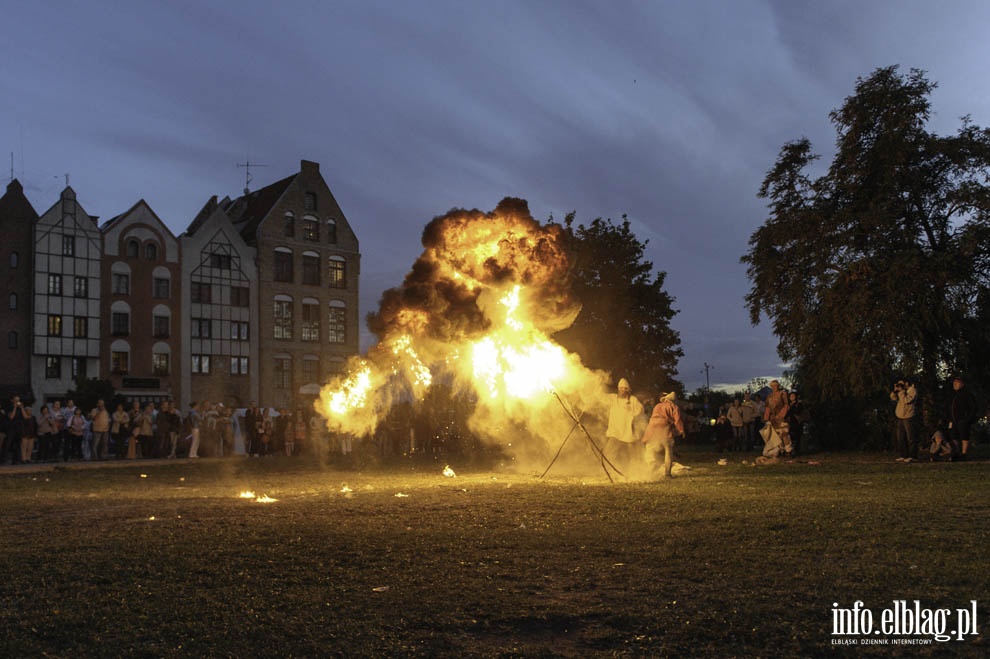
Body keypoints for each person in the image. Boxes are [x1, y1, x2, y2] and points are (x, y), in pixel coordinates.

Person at [641, 391, 685, 480]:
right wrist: (681, 430)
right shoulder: (673, 406)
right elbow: (678, 420)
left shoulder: (657, 406)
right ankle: (667, 474)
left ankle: (649, 472)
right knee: (668, 450)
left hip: (652, 429)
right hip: (664, 428)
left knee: (650, 450)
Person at [603, 378, 645, 471]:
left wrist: (632, 416)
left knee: (632, 455)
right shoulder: (613, 398)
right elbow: (600, 397)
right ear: (618, 389)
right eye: (621, 388)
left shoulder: (633, 400)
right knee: (609, 453)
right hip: (615, 432)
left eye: (625, 389)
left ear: (628, 390)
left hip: (628, 432)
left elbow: (641, 409)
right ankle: (609, 470)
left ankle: (635, 471)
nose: (622, 390)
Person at [948, 376, 978, 460]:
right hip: (954, 420)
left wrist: (968, 419)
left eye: (957, 383)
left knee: (964, 435)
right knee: (954, 435)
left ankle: (964, 453)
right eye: (954, 383)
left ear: (962, 384)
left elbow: (973, 407)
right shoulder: (954, 395)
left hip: (963, 419)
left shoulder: (967, 395)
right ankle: (957, 452)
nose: (955, 384)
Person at [890, 379, 917, 462]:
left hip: (908, 416)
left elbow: (906, 400)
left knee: (910, 437)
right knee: (900, 437)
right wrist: (895, 391)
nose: (900, 385)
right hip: (900, 416)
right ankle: (903, 455)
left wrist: (901, 391)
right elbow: (893, 398)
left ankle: (912, 456)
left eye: (901, 384)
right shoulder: (902, 391)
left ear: (907, 383)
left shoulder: (912, 390)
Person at [763, 380, 792, 457]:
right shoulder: (769, 396)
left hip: (782, 417)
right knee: (777, 435)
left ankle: (788, 450)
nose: (774, 387)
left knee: (784, 434)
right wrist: (766, 419)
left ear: (778, 386)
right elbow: (767, 408)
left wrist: (781, 415)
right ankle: (781, 450)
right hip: (773, 419)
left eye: (775, 386)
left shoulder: (783, 394)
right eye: (772, 386)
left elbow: (786, 405)